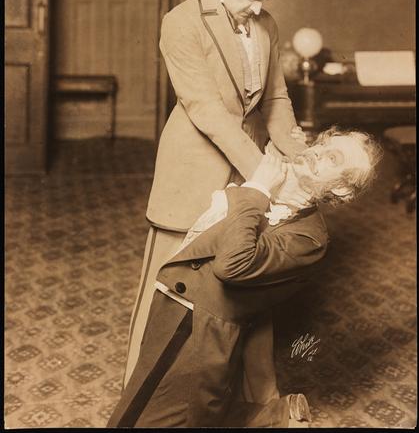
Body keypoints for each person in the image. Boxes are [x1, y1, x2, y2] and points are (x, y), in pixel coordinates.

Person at [123, 0, 311, 386]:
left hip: (247, 169)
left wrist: (298, 156)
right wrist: (264, 174)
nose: (259, 8)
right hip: (194, 169)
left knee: (246, 281)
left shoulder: (265, 23)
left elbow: (276, 98)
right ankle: (138, 393)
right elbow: (206, 110)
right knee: (167, 285)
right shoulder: (181, 21)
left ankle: (254, 400)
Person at [108, 126, 382, 428]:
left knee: (156, 419)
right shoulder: (271, 181)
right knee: (141, 402)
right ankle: (278, 416)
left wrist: (258, 191)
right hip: (174, 300)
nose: (317, 151)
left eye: (332, 158)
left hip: (202, 327)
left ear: (342, 189)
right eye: (321, 143)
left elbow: (233, 265)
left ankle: (276, 419)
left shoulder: (309, 239)